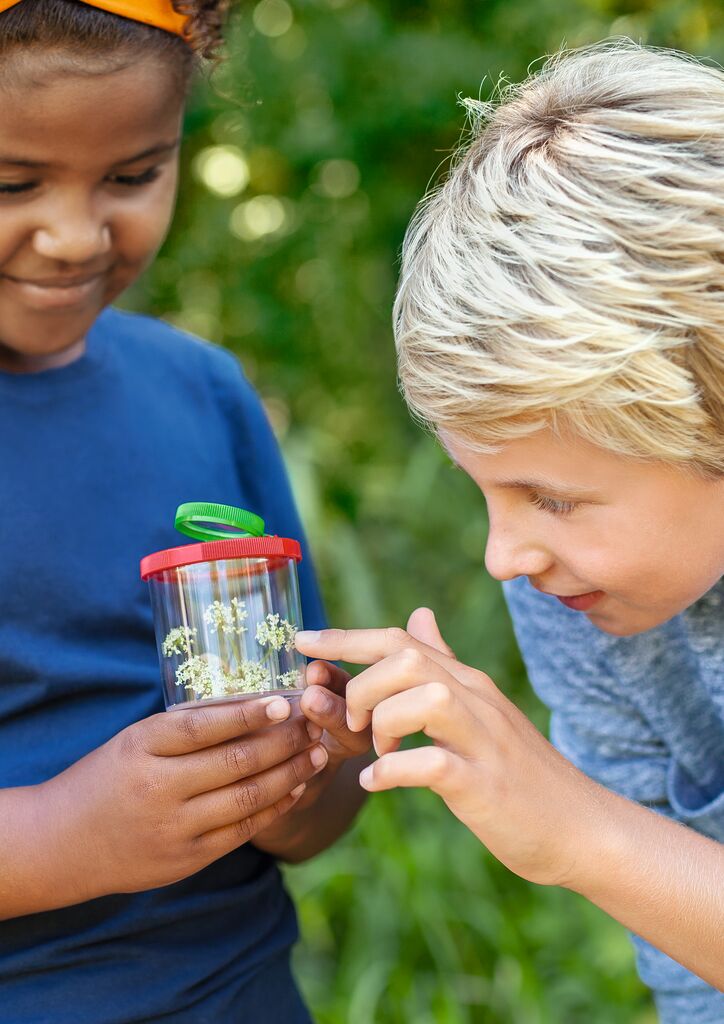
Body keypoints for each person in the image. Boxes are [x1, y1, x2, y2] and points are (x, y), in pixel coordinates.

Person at [295, 41, 724, 1023]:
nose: (504, 560)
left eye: (554, 498)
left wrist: (578, 831)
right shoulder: (582, 603)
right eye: (482, 491)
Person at [0, 2, 371, 1021]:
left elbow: (319, 807)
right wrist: (59, 833)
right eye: (11, 182)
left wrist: (305, 769)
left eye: (132, 176)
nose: (75, 235)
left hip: (238, 986)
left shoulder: (203, 392)